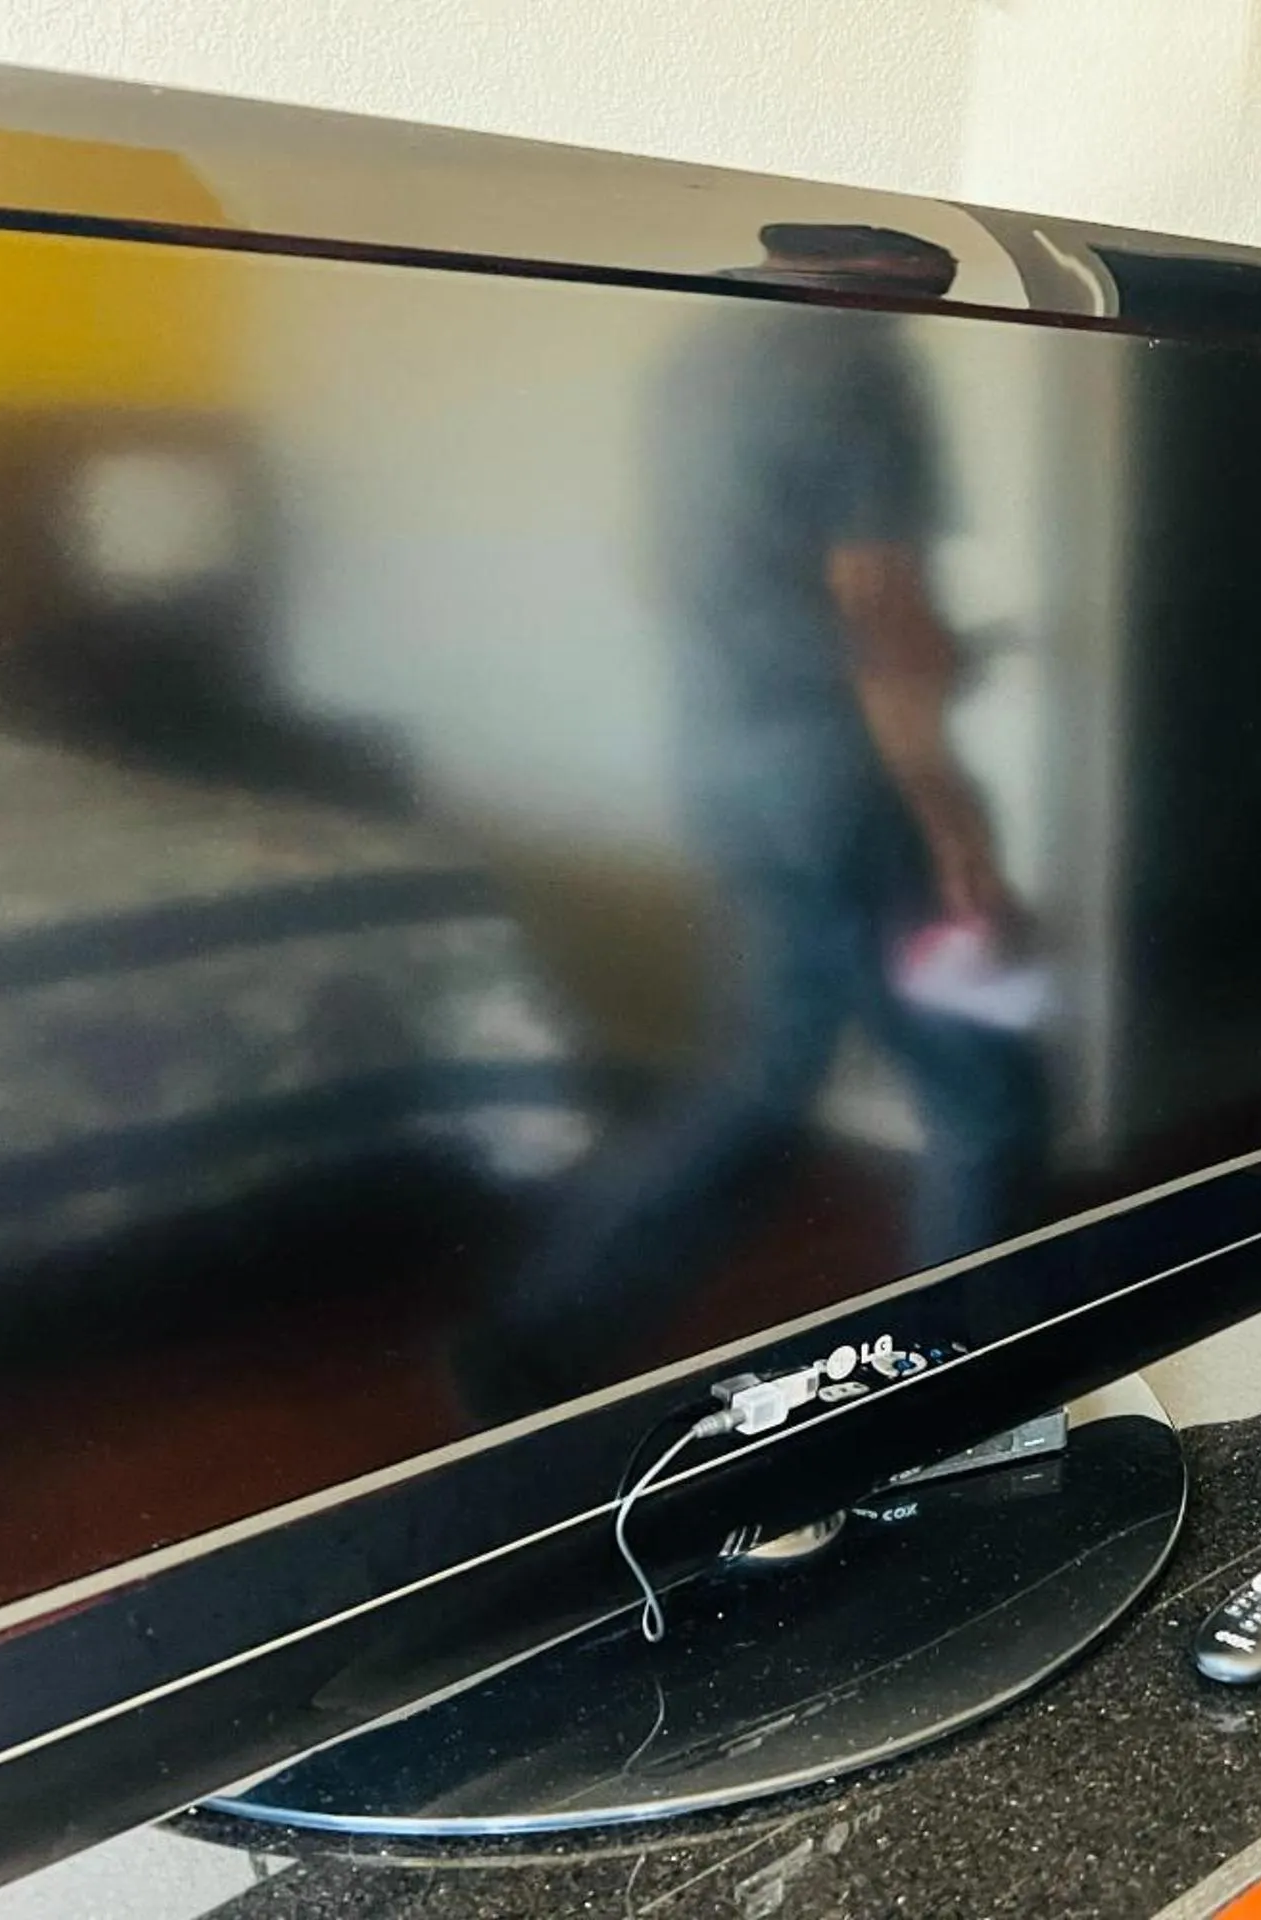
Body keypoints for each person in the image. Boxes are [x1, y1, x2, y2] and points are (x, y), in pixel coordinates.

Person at [463, 226, 1043, 1412]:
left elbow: (698, 571)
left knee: (766, 1076)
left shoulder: (699, 361)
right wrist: (957, 828)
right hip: (843, 780)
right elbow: (878, 605)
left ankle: (536, 1338)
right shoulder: (859, 366)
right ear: (880, 278)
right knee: (987, 1087)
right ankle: (952, 1388)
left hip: (725, 760)